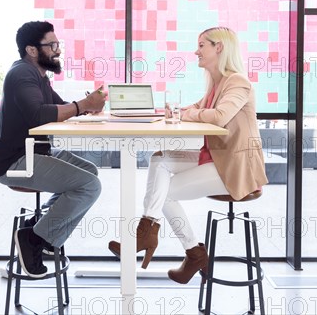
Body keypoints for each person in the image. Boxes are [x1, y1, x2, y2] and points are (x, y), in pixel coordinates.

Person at [108, 26, 268, 284]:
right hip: (218, 156)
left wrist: (186, 114)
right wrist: (174, 110)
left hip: (235, 166)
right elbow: (197, 107)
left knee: (166, 193)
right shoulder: (217, 83)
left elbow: (219, 117)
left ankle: (192, 252)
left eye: (202, 45)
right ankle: (148, 231)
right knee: (159, 158)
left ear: (219, 48)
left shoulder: (238, 81)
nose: (196, 51)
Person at [0, 20, 106, 278]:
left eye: (58, 44)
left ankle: (40, 231)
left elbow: (60, 107)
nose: (58, 50)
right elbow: (38, 115)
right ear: (32, 50)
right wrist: (83, 103)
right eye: (52, 45)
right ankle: (34, 239)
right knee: (89, 186)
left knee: (89, 171)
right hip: (16, 162)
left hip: (35, 153)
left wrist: (88, 106)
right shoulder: (22, 74)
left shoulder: (39, 77)